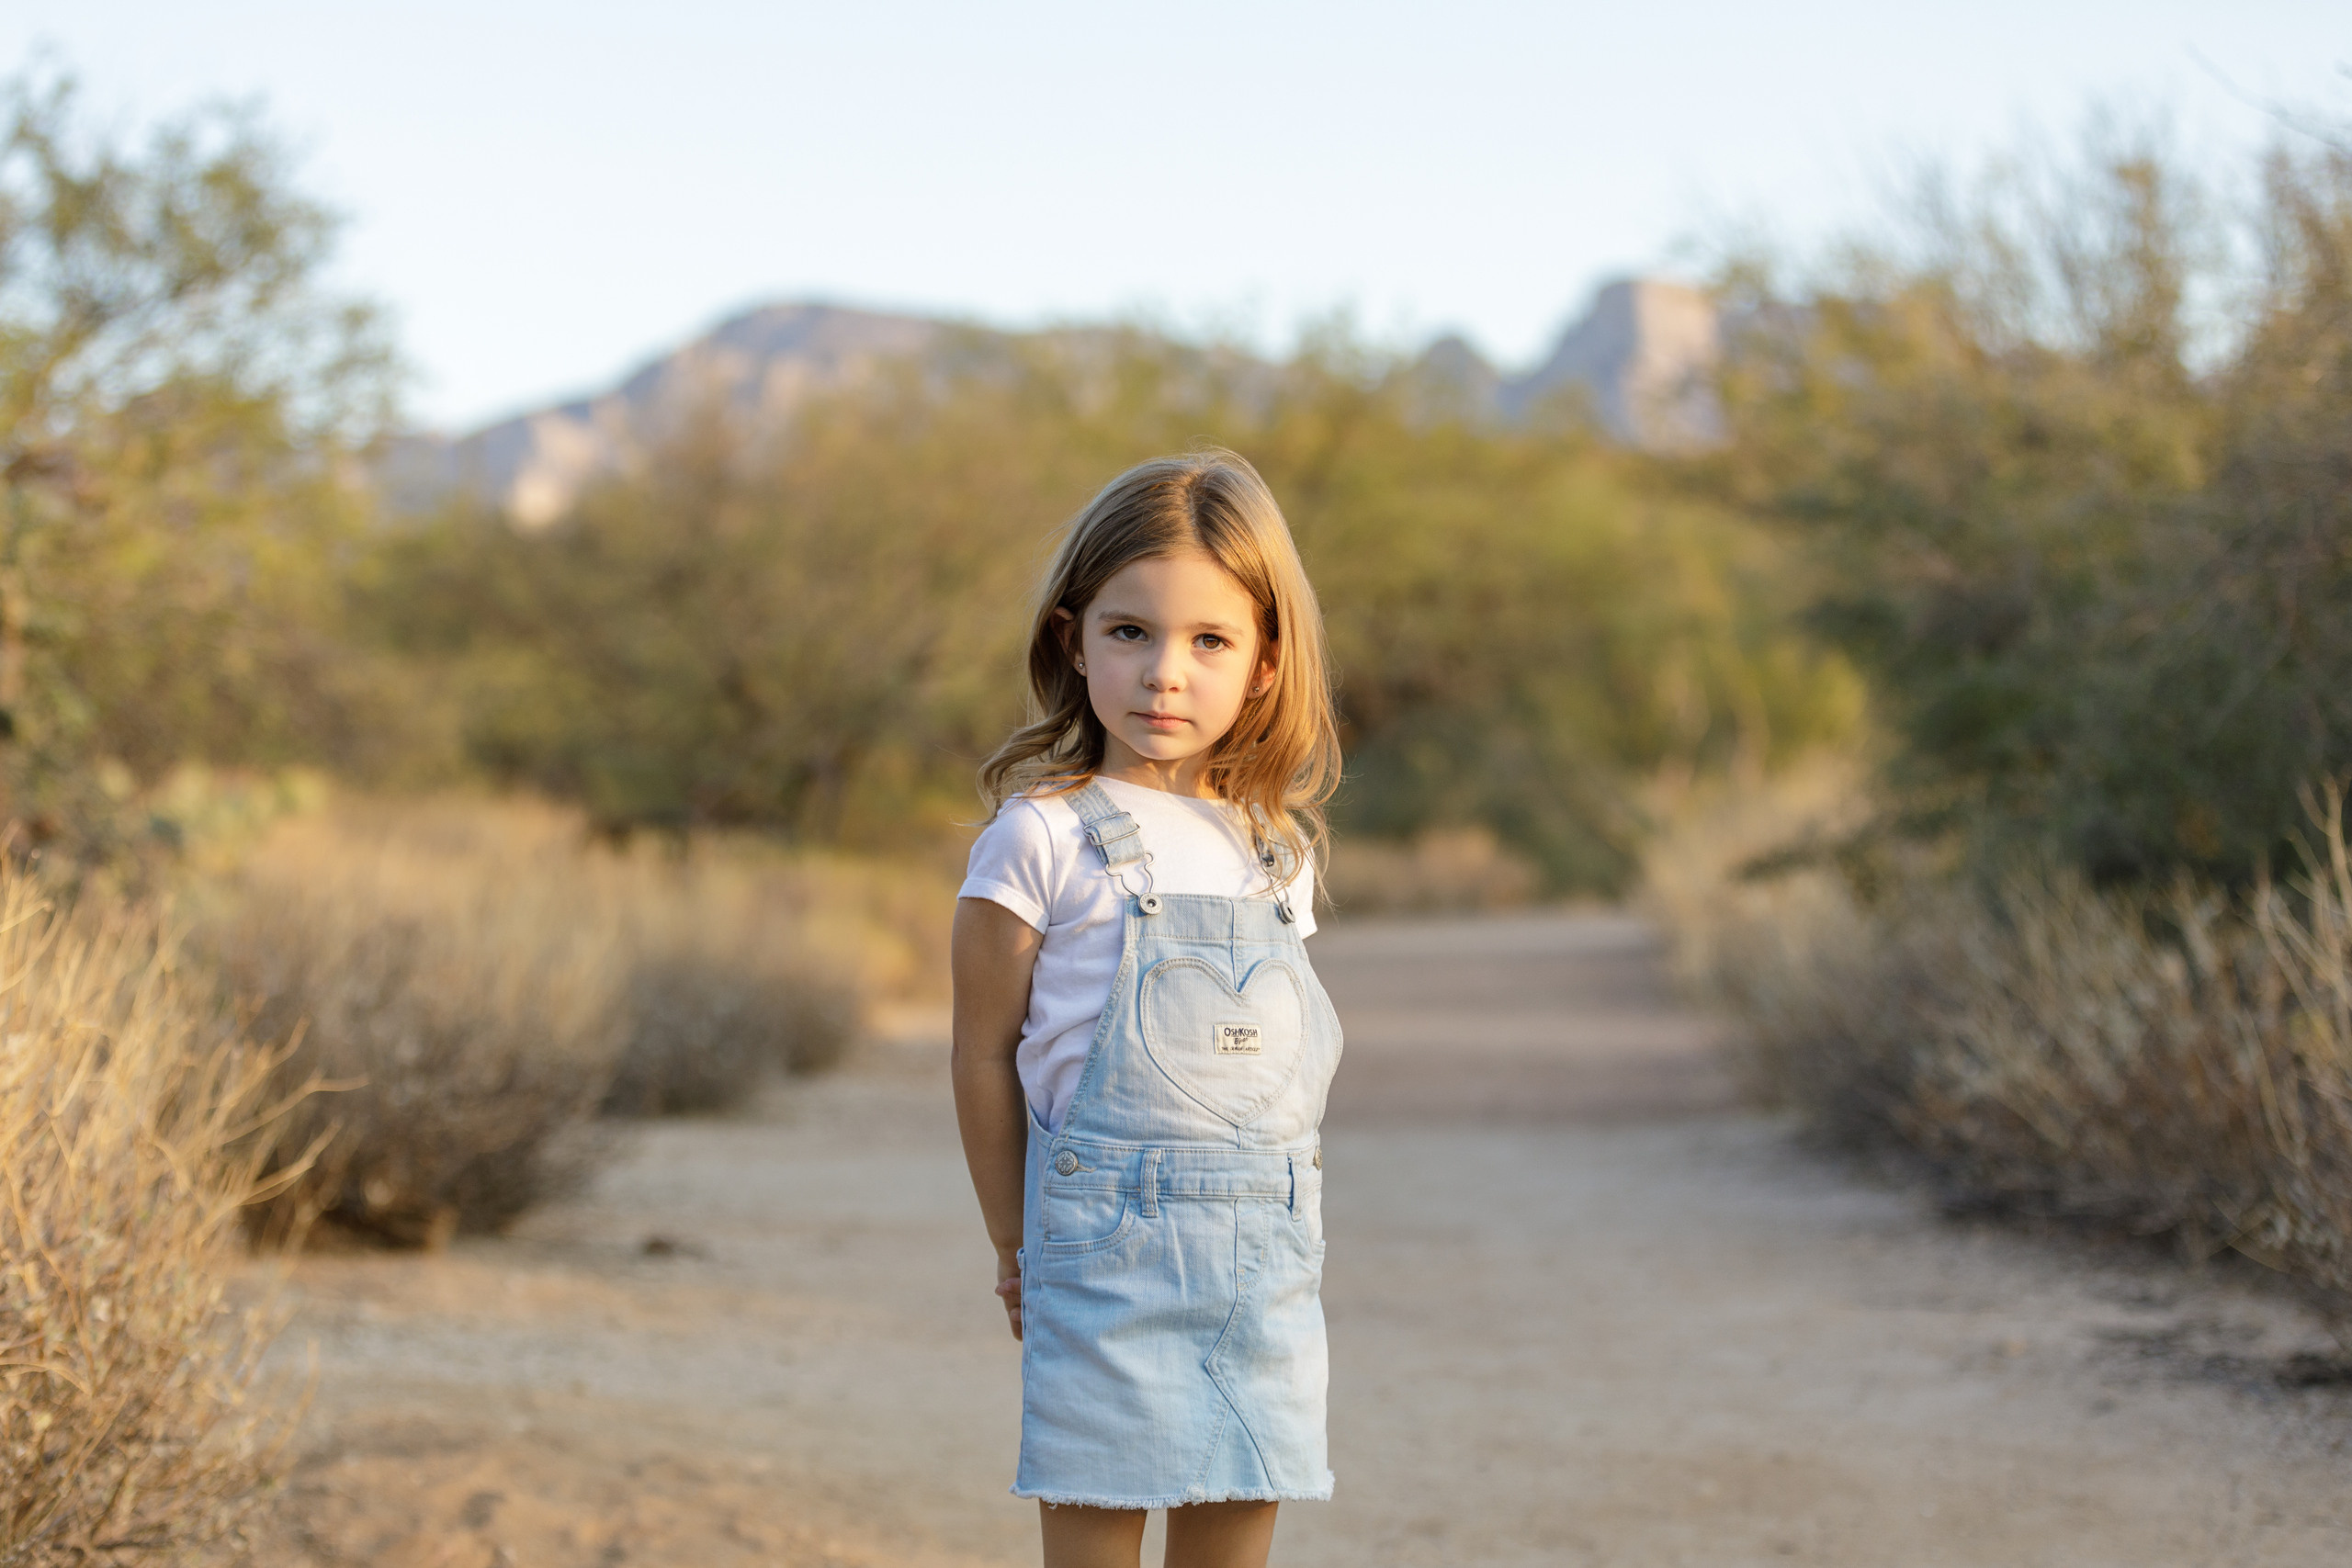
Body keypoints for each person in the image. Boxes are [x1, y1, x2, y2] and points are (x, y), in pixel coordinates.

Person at [951, 450, 1346, 1568]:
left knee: (1234, 1531)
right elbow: (982, 1054)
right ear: (1072, 640)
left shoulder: (1275, 849)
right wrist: (1011, 1236)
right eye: (1129, 633)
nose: (1164, 673)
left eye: (1209, 641)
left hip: (1263, 1258)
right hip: (1102, 1251)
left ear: (1265, 663)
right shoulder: (1041, 836)